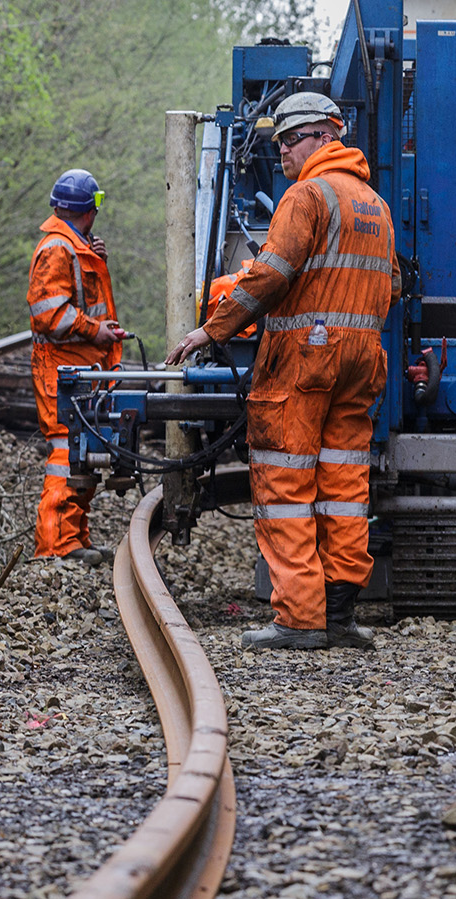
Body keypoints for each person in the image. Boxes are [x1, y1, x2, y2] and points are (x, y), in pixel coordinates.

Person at [167, 92, 398, 650]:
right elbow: (389, 285)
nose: (282, 152)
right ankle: (339, 615)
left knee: (284, 482)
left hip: (305, 358)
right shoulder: (374, 204)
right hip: (362, 358)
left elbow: (271, 275)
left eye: (290, 139)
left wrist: (212, 329)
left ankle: (299, 619)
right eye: (277, 143)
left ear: (325, 135)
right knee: (344, 485)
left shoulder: (307, 196)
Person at [30, 168, 126, 563]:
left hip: (83, 369)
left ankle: (73, 539)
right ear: (90, 209)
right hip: (63, 370)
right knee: (65, 454)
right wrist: (95, 331)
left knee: (83, 452)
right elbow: (49, 314)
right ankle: (53, 548)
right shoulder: (57, 249)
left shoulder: (75, 246)